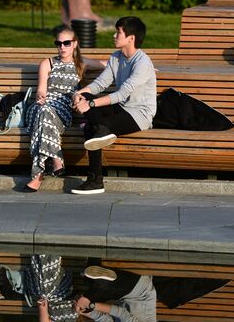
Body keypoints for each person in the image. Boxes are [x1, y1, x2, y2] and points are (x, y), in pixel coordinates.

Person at [71, 16, 157, 194]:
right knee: (91, 113)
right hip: (121, 108)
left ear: (131, 38)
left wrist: (91, 104)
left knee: (91, 129)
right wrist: (80, 94)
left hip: (139, 115)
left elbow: (122, 94)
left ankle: (95, 181)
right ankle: (101, 131)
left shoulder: (142, 63)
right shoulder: (116, 57)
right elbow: (100, 84)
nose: (114, 35)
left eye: (118, 32)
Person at [24, 26, 105, 192]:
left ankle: (40, 173)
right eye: (58, 43)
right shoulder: (47, 63)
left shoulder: (81, 63)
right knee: (43, 111)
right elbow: (41, 88)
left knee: (44, 115)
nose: (62, 47)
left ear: (75, 44)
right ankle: (55, 160)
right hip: (43, 104)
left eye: (66, 43)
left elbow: (110, 64)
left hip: (63, 107)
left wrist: (138, 67)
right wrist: (40, 95)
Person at [23, 255, 81, 322]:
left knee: (45, 291)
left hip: (43, 287)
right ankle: (46, 254)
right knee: (46, 287)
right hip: (64, 284)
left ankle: (51, 254)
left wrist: (43, 301)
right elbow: (105, 320)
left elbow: (42, 302)